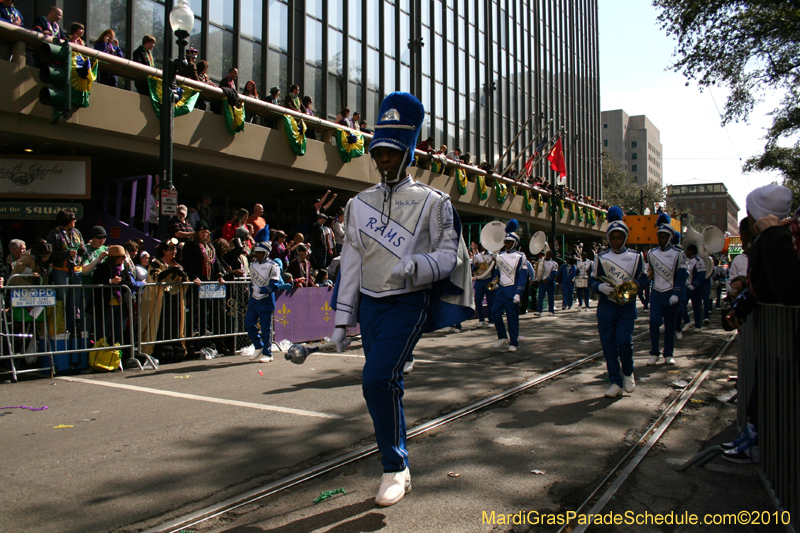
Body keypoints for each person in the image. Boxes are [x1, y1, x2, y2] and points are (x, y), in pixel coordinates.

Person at [329, 92, 473, 507]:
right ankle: (400, 465)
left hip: (409, 301)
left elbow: (450, 256)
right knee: (382, 385)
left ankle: (394, 466)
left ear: (408, 152)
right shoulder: (358, 204)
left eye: (392, 152)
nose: (384, 160)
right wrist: (342, 321)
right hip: (371, 303)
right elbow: (352, 263)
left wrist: (419, 265)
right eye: (379, 152)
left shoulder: (435, 202)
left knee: (376, 379)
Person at [589, 206, 648, 398]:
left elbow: (645, 279)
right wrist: (599, 287)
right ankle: (615, 381)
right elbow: (592, 280)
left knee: (623, 342)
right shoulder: (600, 257)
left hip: (626, 307)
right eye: (612, 238)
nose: (615, 241)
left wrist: (632, 287)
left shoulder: (636, 256)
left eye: (619, 237)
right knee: (608, 346)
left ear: (625, 237)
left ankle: (628, 373)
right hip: (606, 307)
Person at [646, 213, 688, 366]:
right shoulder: (651, 254)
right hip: (656, 292)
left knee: (669, 326)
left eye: (664, 237)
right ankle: (654, 353)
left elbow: (682, 276)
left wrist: (677, 293)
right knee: (654, 323)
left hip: (671, 293)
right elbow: (650, 272)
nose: (661, 240)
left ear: (670, 237)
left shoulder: (679, 254)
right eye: (660, 236)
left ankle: (668, 354)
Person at [139, 239, 188, 361]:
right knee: (161, 324)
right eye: (171, 250)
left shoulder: (177, 264)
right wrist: (170, 270)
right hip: (161, 300)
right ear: (164, 251)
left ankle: (176, 350)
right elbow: (155, 277)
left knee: (175, 323)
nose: (174, 252)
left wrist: (183, 275)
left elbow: (186, 281)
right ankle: (160, 351)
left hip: (175, 298)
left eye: (175, 249)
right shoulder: (156, 263)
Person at [245, 241, 289, 363]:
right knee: (249, 323)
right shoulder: (252, 265)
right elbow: (252, 282)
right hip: (254, 300)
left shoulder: (273, 266)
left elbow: (275, 286)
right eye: (256, 252)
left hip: (266, 300)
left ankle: (268, 353)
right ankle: (258, 346)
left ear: (266, 253)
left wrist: (262, 289)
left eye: (260, 253)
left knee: (266, 329)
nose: (257, 255)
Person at [490, 221, 528, 352]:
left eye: (509, 242)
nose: (506, 244)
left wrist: (519, 293)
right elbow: (497, 273)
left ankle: (514, 341)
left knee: (512, 317)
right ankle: (502, 336)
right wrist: (494, 284)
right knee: (495, 312)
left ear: (515, 243)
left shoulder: (521, 257)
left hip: (512, 290)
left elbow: (523, 276)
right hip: (500, 290)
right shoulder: (499, 256)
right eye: (505, 242)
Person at [46, 209, 86, 334]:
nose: (75, 221)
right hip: (61, 270)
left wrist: (81, 249)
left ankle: (72, 327)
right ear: (67, 220)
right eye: (73, 219)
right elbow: (50, 254)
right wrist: (67, 253)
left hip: (76, 270)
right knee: (61, 300)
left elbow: (84, 251)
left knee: (74, 301)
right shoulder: (54, 234)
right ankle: (60, 327)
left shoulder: (77, 232)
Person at [182, 220, 225, 336]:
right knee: (196, 307)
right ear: (197, 232)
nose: (204, 234)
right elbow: (187, 263)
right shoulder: (191, 245)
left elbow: (216, 263)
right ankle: (194, 330)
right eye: (202, 232)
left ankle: (204, 329)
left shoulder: (210, 246)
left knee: (206, 308)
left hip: (209, 281)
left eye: (206, 232)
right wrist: (193, 277)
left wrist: (219, 275)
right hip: (198, 281)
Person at [91, 245, 131, 345]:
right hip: (106, 305)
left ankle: (116, 355)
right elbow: (95, 281)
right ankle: (102, 355)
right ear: (115, 258)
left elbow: (130, 283)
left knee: (119, 332)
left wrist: (121, 281)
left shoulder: (122, 270)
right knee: (105, 331)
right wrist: (110, 281)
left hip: (120, 305)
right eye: (121, 257)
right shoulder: (102, 268)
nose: (123, 260)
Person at [683, 243, 706, 332]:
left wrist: (694, 285)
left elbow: (701, 275)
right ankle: (687, 321)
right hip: (686, 287)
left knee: (696, 307)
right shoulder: (685, 261)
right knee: (682, 305)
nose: (686, 252)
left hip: (695, 289)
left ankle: (698, 325)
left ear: (691, 251)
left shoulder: (699, 261)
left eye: (687, 251)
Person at [471, 243, 496, 327]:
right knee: (478, 300)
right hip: (479, 281)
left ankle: (491, 320)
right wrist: (476, 266)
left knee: (490, 301)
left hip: (488, 280)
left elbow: (495, 269)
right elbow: (473, 269)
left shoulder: (493, 255)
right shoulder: (477, 256)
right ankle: (481, 319)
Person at [534, 250, 558, 316]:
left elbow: (554, 272)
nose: (547, 255)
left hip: (550, 282)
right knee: (540, 296)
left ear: (551, 255)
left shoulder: (554, 263)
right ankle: (539, 311)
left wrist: (548, 279)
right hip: (542, 282)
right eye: (546, 254)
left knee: (551, 297)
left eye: (548, 254)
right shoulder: (541, 261)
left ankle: (551, 311)